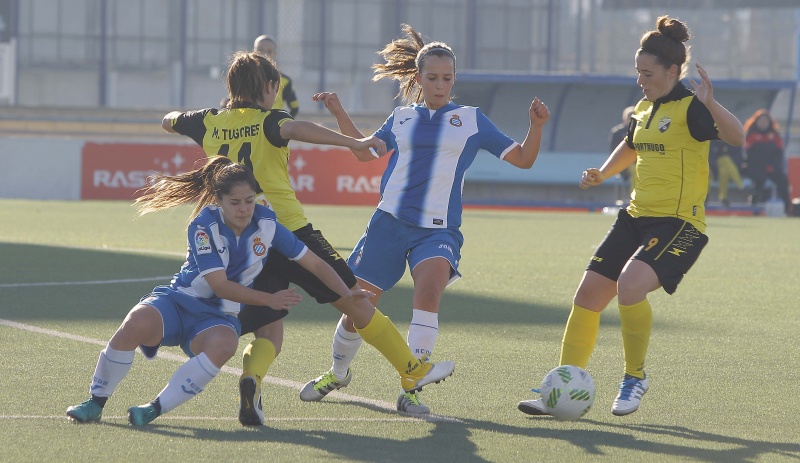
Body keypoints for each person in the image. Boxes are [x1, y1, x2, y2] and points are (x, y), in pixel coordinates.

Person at [162, 50, 454, 426]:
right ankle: (411, 368)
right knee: (353, 297)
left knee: (270, 325)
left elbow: (169, 120)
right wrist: (354, 142)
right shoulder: (271, 120)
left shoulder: (208, 122)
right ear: (269, 87)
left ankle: (252, 379)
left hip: (243, 244)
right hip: (289, 232)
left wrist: (184, 119)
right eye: (274, 86)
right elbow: (298, 130)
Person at [299, 24, 550, 414]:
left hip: (439, 230)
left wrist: (535, 127)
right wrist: (338, 112)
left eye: (447, 78)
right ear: (418, 78)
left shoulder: (471, 120)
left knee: (428, 292)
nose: (440, 85)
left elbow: (523, 159)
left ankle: (411, 389)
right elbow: (365, 154)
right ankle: (338, 372)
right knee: (357, 304)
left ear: (454, 78)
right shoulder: (400, 118)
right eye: (432, 78)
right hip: (388, 223)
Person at [517, 15, 744, 417]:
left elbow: (737, 136)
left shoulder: (693, 108)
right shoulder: (642, 108)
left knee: (629, 286)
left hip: (681, 224)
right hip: (635, 216)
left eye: (648, 72)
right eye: (638, 72)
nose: (641, 79)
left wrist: (711, 103)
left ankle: (634, 377)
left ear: (673, 72)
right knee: (587, 295)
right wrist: (603, 172)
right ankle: (563, 385)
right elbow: (632, 146)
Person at [65, 156, 372, 425]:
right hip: (178, 303)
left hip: (218, 317)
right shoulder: (203, 226)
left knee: (224, 346)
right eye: (235, 203)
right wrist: (269, 299)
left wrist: (348, 292)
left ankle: (153, 409)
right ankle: (95, 402)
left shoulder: (268, 224)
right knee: (134, 323)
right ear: (219, 201)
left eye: (249, 201)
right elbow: (219, 285)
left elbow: (315, 264)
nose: (243, 209)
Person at [741, 109, 791, 215]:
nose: (763, 123)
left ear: (769, 122)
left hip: (771, 167)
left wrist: (770, 164)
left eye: (765, 121)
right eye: (761, 121)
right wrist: (766, 149)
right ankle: (755, 207)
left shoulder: (774, 135)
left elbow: (778, 153)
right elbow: (750, 153)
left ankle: (787, 209)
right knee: (760, 179)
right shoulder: (751, 134)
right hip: (755, 167)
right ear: (756, 122)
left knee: (782, 179)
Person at [254, 34, 299, 117]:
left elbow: (294, 107)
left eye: (269, 51)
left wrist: (282, 123)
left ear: (275, 53)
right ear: (254, 51)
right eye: (261, 50)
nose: (265, 54)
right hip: (252, 127)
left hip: (272, 126)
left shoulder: (284, 80)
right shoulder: (247, 77)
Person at [708, 139, 744, 208]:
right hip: (713, 168)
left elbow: (738, 158)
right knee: (724, 160)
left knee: (724, 170)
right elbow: (709, 158)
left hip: (730, 170)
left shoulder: (732, 141)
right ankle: (740, 186)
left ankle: (721, 197)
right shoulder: (711, 142)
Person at [609, 106, 637, 195]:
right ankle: (634, 197)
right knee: (636, 170)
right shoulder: (617, 132)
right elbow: (613, 150)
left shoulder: (641, 131)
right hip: (624, 164)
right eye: (629, 116)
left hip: (640, 163)